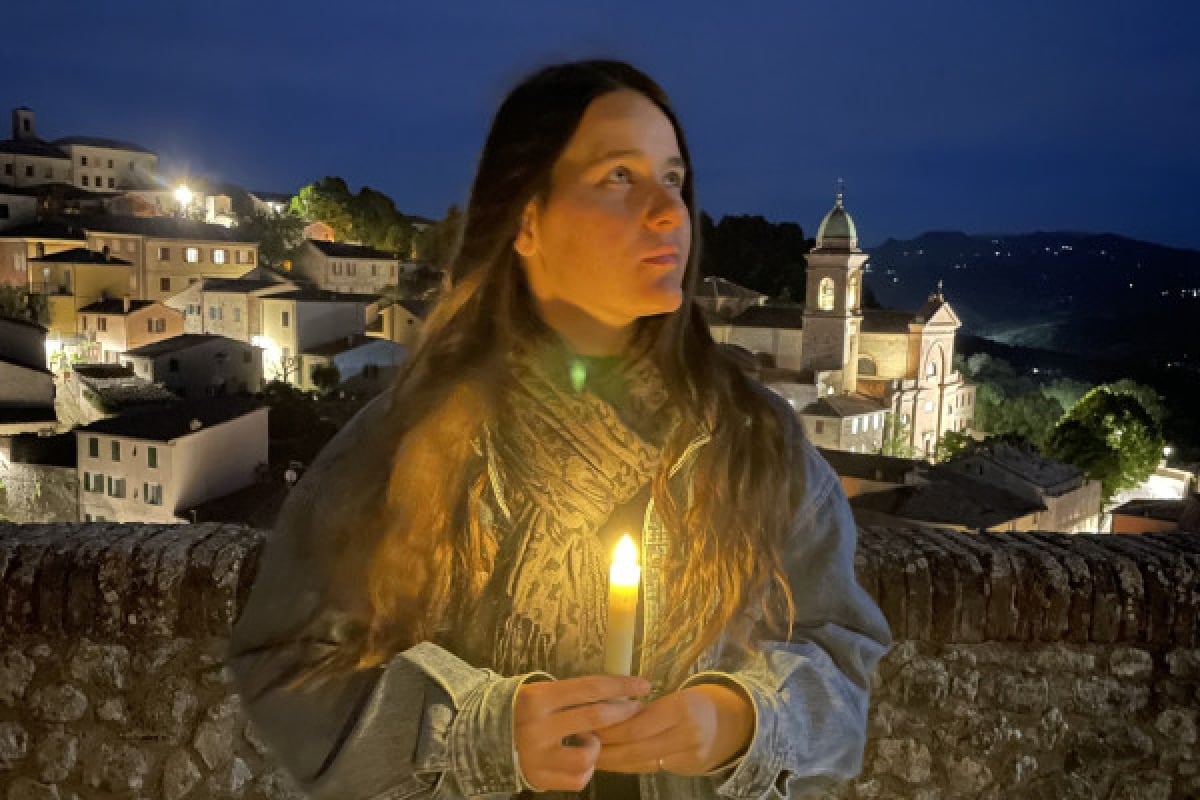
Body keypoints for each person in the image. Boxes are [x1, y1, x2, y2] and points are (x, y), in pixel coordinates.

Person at [229, 59, 891, 800]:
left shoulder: (754, 441)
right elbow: (289, 667)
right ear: (527, 219)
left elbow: (841, 657)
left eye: (673, 179)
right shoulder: (411, 441)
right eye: (619, 176)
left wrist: (743, 721)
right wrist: (478, 733)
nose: (671, 212)